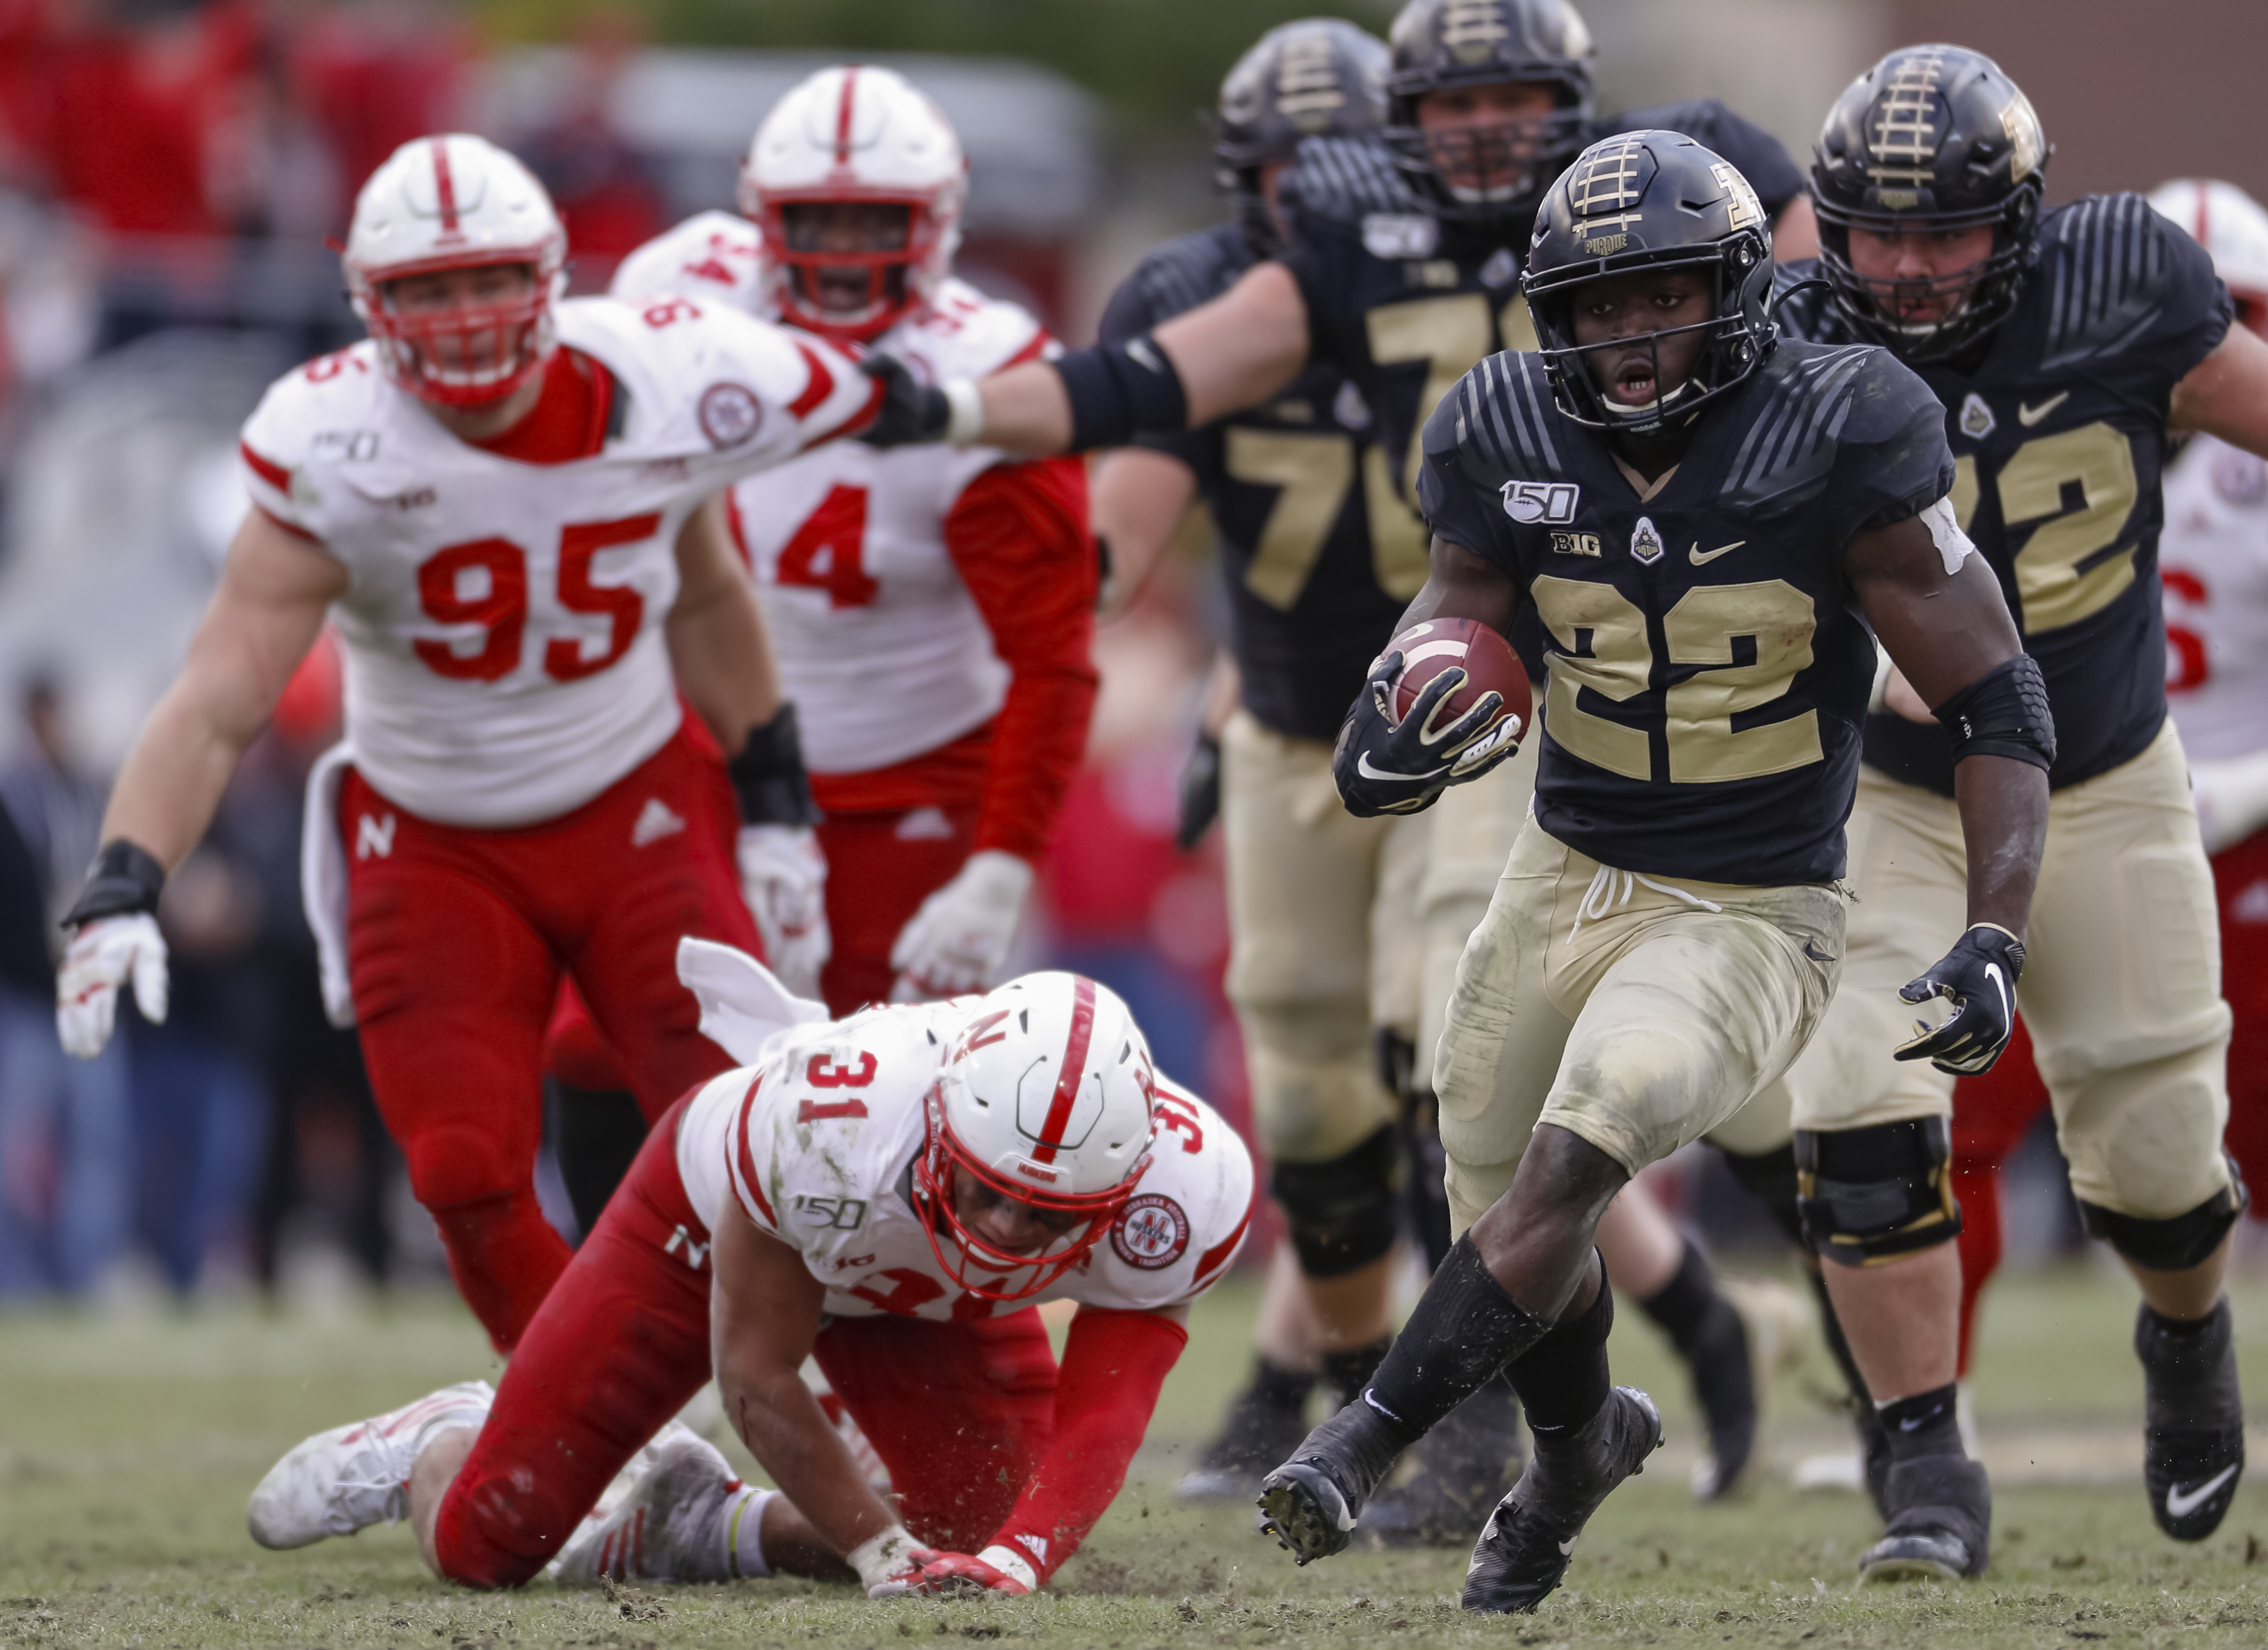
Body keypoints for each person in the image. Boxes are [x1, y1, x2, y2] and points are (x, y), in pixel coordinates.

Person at [1242, 131, 2050, 1611]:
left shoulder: (1844, 424)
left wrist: (1994, 927)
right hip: (1559, 868)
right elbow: (1448, 618)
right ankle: (1575, 1450)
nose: (1629, 334)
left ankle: (1364, 1438)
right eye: (1596, 305)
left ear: (1736, 289)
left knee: (1581, 1137)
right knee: (1492, 1191)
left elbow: (1997, 693)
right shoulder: (1498, 425)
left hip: (1755, 903)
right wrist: (1381, 735)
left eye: (1661, 293)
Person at [1030, 0, 1810, 1525]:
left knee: (1445, 1041)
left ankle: (1449, 1420)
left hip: (1472, 709)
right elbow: (1126, 510)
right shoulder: (1238, 291)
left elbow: (1765, 249)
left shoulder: (1551, 264)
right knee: (1316, 1098)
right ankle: (1440, 1377)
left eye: (1320, 175)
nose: (1306, 203)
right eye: (1277, 177)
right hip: (1281, 720)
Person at [51, 133, 884, 1354]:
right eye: (425, 291)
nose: (460, 318)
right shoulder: (332, 443)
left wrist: (772, 802)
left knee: (749, 1127)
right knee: (459, 1170)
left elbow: (707, 597)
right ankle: (605, 1441)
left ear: (546, 277)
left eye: (486, 279)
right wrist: (123, 881)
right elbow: (218, 696)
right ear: (367, 307)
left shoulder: (653, 382)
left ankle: (846, 1405)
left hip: (632, 804)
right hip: (431, 832)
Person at [1758, 47, 2268, 1557]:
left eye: (1948, 233)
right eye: (1877, 231)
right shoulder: (1778, 343)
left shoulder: (2123, 285)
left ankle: (2183, 1336)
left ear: (2022, 221)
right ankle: (1926, 1468)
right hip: (1897, 792)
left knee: (2160, 1155)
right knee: (1857, 1111)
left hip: (2102, 774)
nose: (1907, 270)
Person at [244, 948, 1255, 1597]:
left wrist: (1013, 1558)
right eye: (986, 1190)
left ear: (1124, 1181)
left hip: (915, 1291)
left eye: (1049, 1216)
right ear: (942, 1120)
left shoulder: (1186, 1190)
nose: (1005, 1228)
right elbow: (755, 1372)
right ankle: (440, 1436)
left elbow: (1105, 1409)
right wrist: (875, 1553)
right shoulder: (829, 1129)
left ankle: (703, 1520)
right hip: (722, 1227)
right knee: (488, 1541)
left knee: (980, 1531)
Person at [608, 63, 1097, 1013]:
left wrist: (999, 869)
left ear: (937, 223)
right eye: (816, 221)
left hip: (906, 786)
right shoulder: (678, 295)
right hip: (705, 756)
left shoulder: (986, 374)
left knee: (866, 1078)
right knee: (618, 1032)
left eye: (874, 223)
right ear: (761, 216)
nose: (841, 254)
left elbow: (1051, 660)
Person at [1914, 176, 2268, 1439]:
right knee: (1931, 1131)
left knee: (2177, 1141)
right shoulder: (1990, 411)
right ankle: (1919, 1423)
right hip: (1991, 796)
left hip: (2195, 801)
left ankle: (2187, 1336)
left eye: (2233, 314)